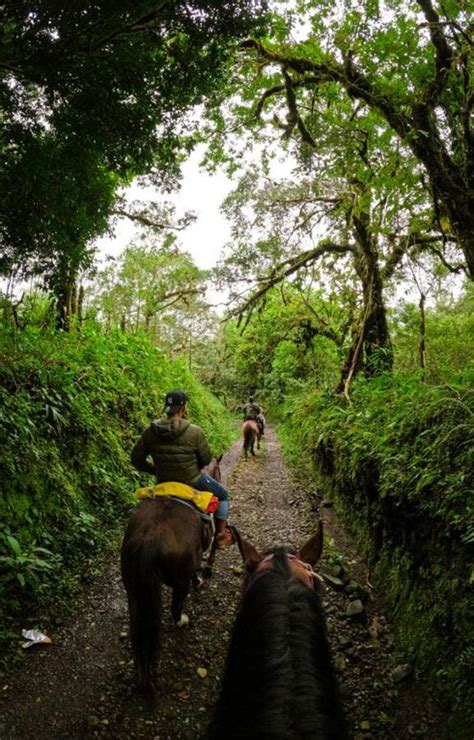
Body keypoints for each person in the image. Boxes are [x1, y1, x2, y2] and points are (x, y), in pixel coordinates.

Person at [131, 389, 234, 549]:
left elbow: (136, 460)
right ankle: (220, 535)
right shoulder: (195, 431)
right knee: (222, 494)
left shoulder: (150, 432)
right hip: (193, 480)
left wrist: (155, 470)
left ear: (166, 408)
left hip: (163, 482)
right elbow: (206, 460)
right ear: (183, 408)